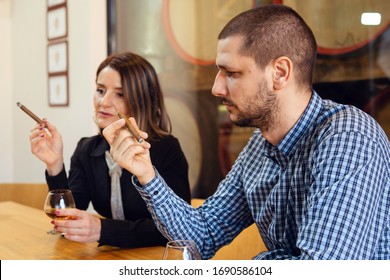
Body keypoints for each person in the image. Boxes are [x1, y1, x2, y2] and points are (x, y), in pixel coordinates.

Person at [102, 5, 390, 259]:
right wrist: (147, 174)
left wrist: (257, 262)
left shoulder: (349, 136)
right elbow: (202, 236)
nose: (216, 88)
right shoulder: (258, 147)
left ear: (279, 73)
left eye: (232, 73)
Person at [29, 52, 191, 248]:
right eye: (100, 90)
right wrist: (54, 164)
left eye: (120, 94)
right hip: (111, 257)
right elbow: (70, 216)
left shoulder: (166, 150)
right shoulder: (87, 149)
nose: (103, 102)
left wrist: (101, 229)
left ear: (141, 99)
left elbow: (176, 230)